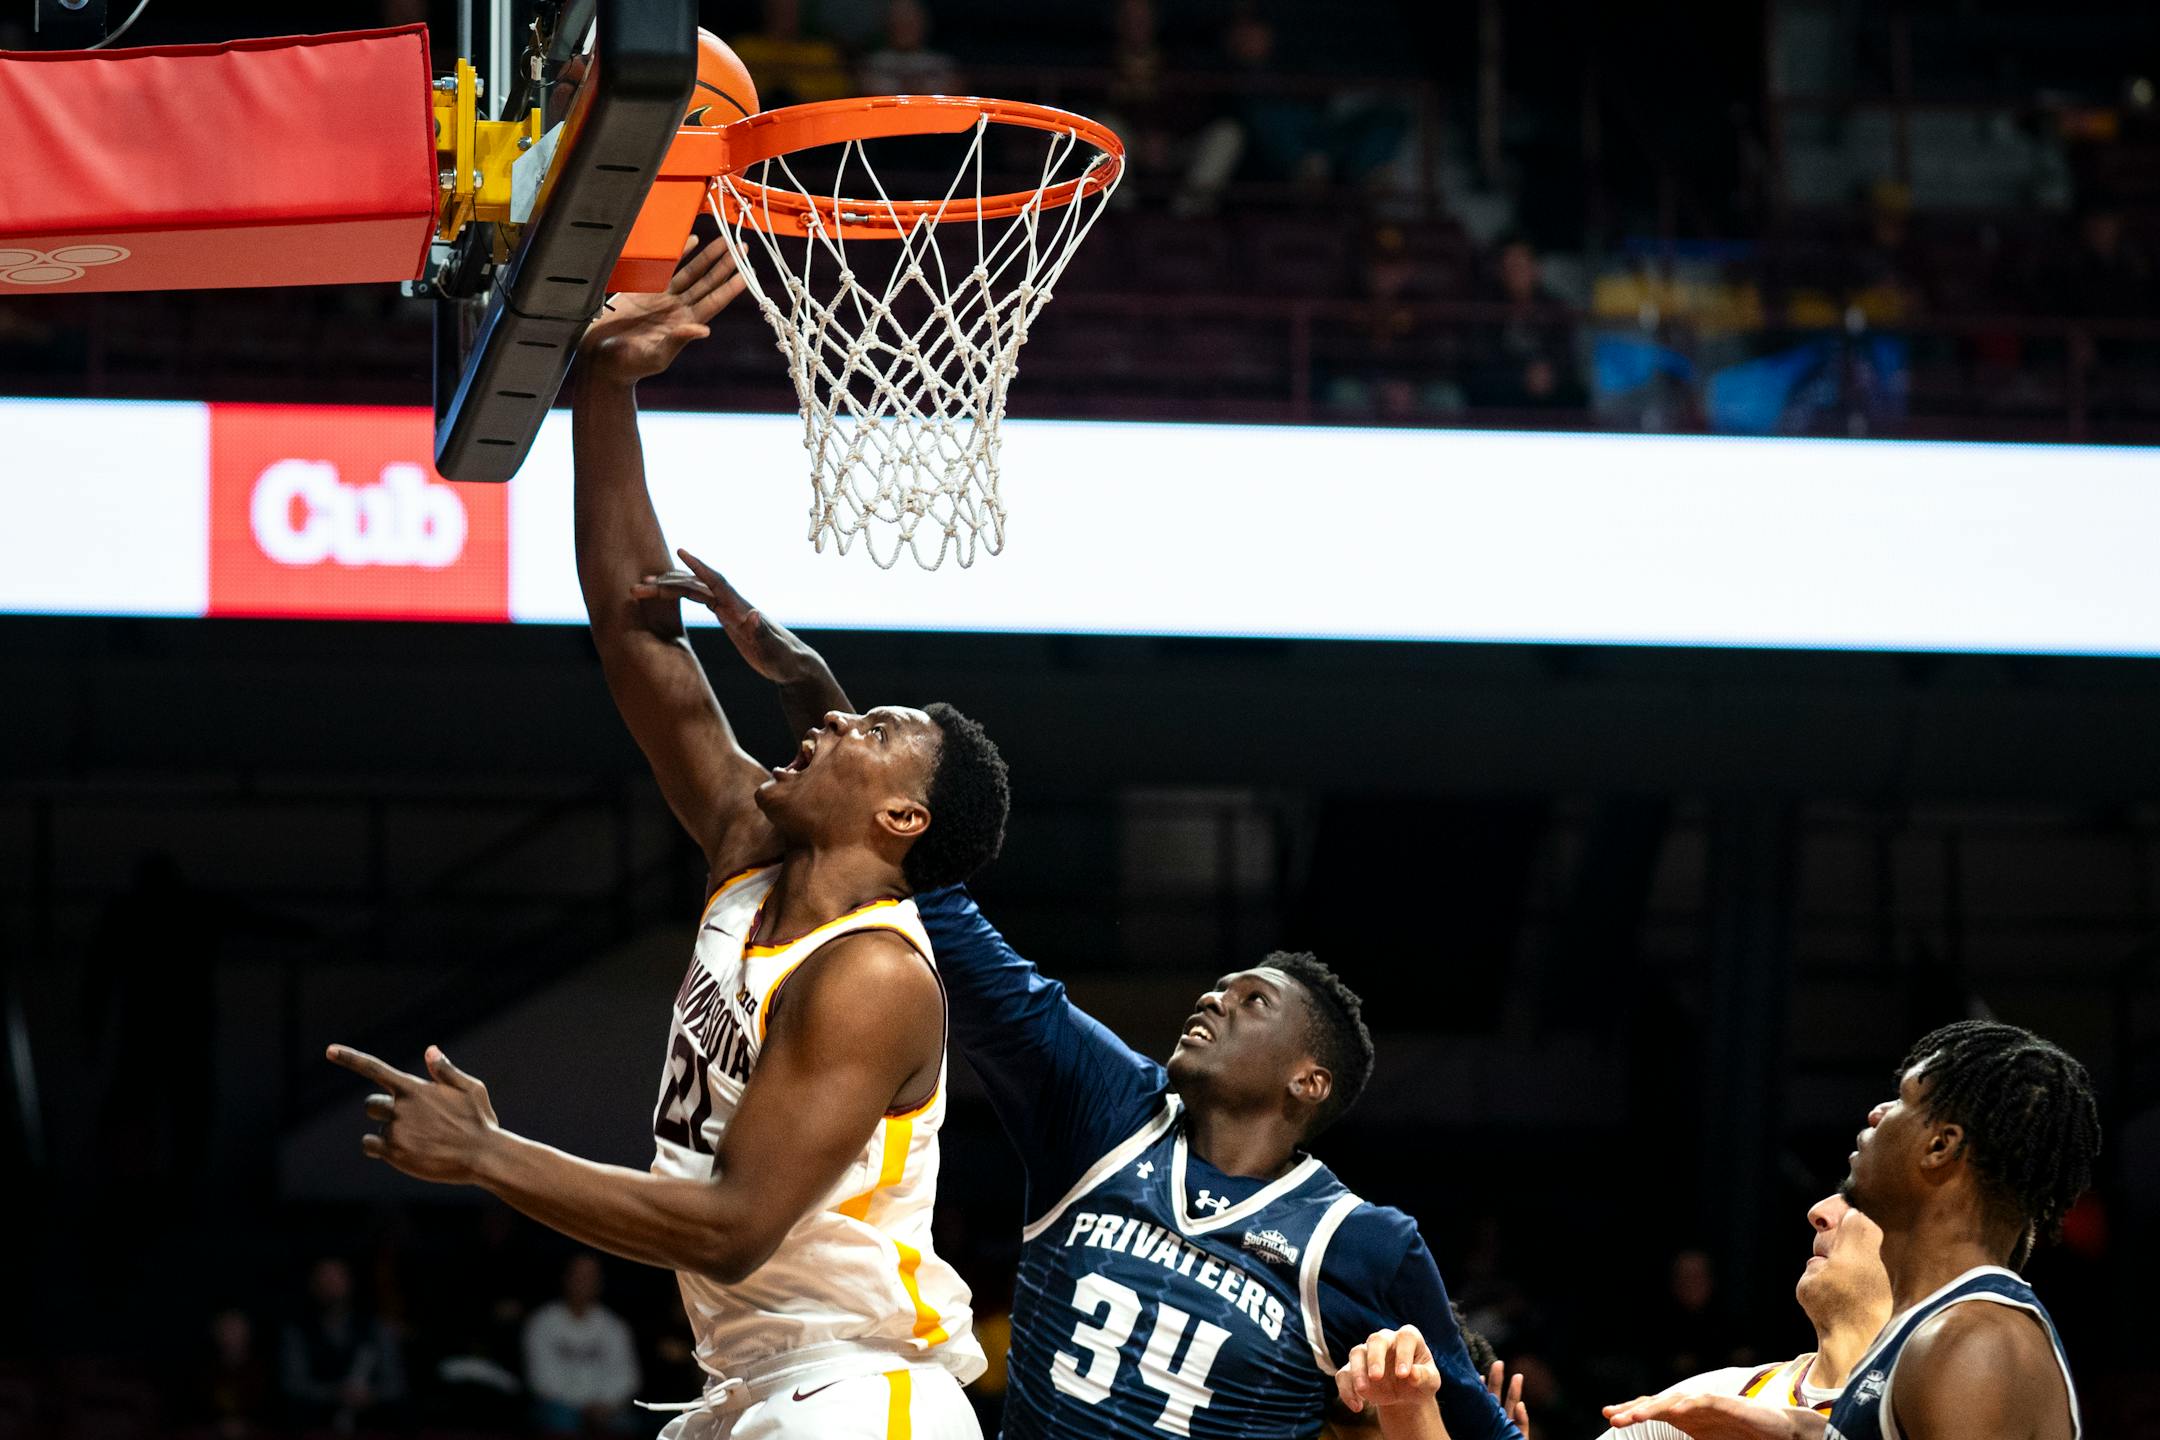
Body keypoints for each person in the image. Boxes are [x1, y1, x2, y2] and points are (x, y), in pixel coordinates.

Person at [325, 238, 1010, 1440]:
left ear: (904, 819)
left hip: (858, 1394)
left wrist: (491, 1155)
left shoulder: (872, 979)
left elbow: (734, 1224)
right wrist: (609, 384)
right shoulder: (754, 851)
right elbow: (640, 637)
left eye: (875, 728)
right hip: (753, 1385)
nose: (837, 717)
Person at [663, 566, 1525, 1440]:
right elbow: (930, 891)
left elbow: (1478, 1430)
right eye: (1220, 985)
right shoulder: (1105, 1104)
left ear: (1309, 1082)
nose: (1215, 998)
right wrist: (816, 689)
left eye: (1253, 1000)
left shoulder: (1365, 1245)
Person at [1606, 1020, 2097, 1440]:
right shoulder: (1934, 1333)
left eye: (1902, 1099)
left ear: (1940, 1146)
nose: (1877, 1113)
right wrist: (1801, 1430)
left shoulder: (1971, 1339)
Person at [1593, 1195, 1892, 1440]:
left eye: (1859, 1196)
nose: (1819, 1210)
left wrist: (1802, 1433)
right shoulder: (1719, 1400)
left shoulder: (1924, 1405)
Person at [279, 1257, 406, 1433]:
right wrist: (336, 1393)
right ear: (313, 1286)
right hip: (318, 1415)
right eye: (324, 1279)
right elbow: (295, 1384)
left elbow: (395, 1383)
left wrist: (369, 1395)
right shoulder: (298, 1331)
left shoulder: (375, 1328)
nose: (331, 1285)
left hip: (371, 1414)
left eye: (336, 1278)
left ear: (349, 1282)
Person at [525, 1253, 643, 1434]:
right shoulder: (543, 1322)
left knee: (631, 1424)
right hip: (559, 1408)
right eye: (578, 1276)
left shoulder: (614, 1326)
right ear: (566, 1278)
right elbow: (540, 1378)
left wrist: (604, 1405)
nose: (583, 1283)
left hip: (606, 1410)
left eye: (590, 1277)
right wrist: (582, 1407)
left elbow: (627, 1377)